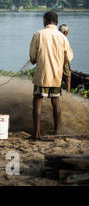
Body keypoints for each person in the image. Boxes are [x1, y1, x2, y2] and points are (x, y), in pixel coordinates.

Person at [29, 11, 74, 140]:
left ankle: (36, 134)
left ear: (45, 20)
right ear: (56, 22)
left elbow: (33, 57)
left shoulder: (38, 34)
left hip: (42, 75)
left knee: (37, 101)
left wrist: (36, 59)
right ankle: (57, 132)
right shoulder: (62, 37)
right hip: (56, 76)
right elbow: (68, 57)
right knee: (55, 102)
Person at [59, 24, 72, 93]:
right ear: (65, 32)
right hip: (64, 59)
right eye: (67, 32)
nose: (68, 33)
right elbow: (68, 52)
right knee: (68, 77)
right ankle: (68, 92)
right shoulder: (64, 38)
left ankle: (58, 91)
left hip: (56, 59)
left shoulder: (56, 37)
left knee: (58, 76)